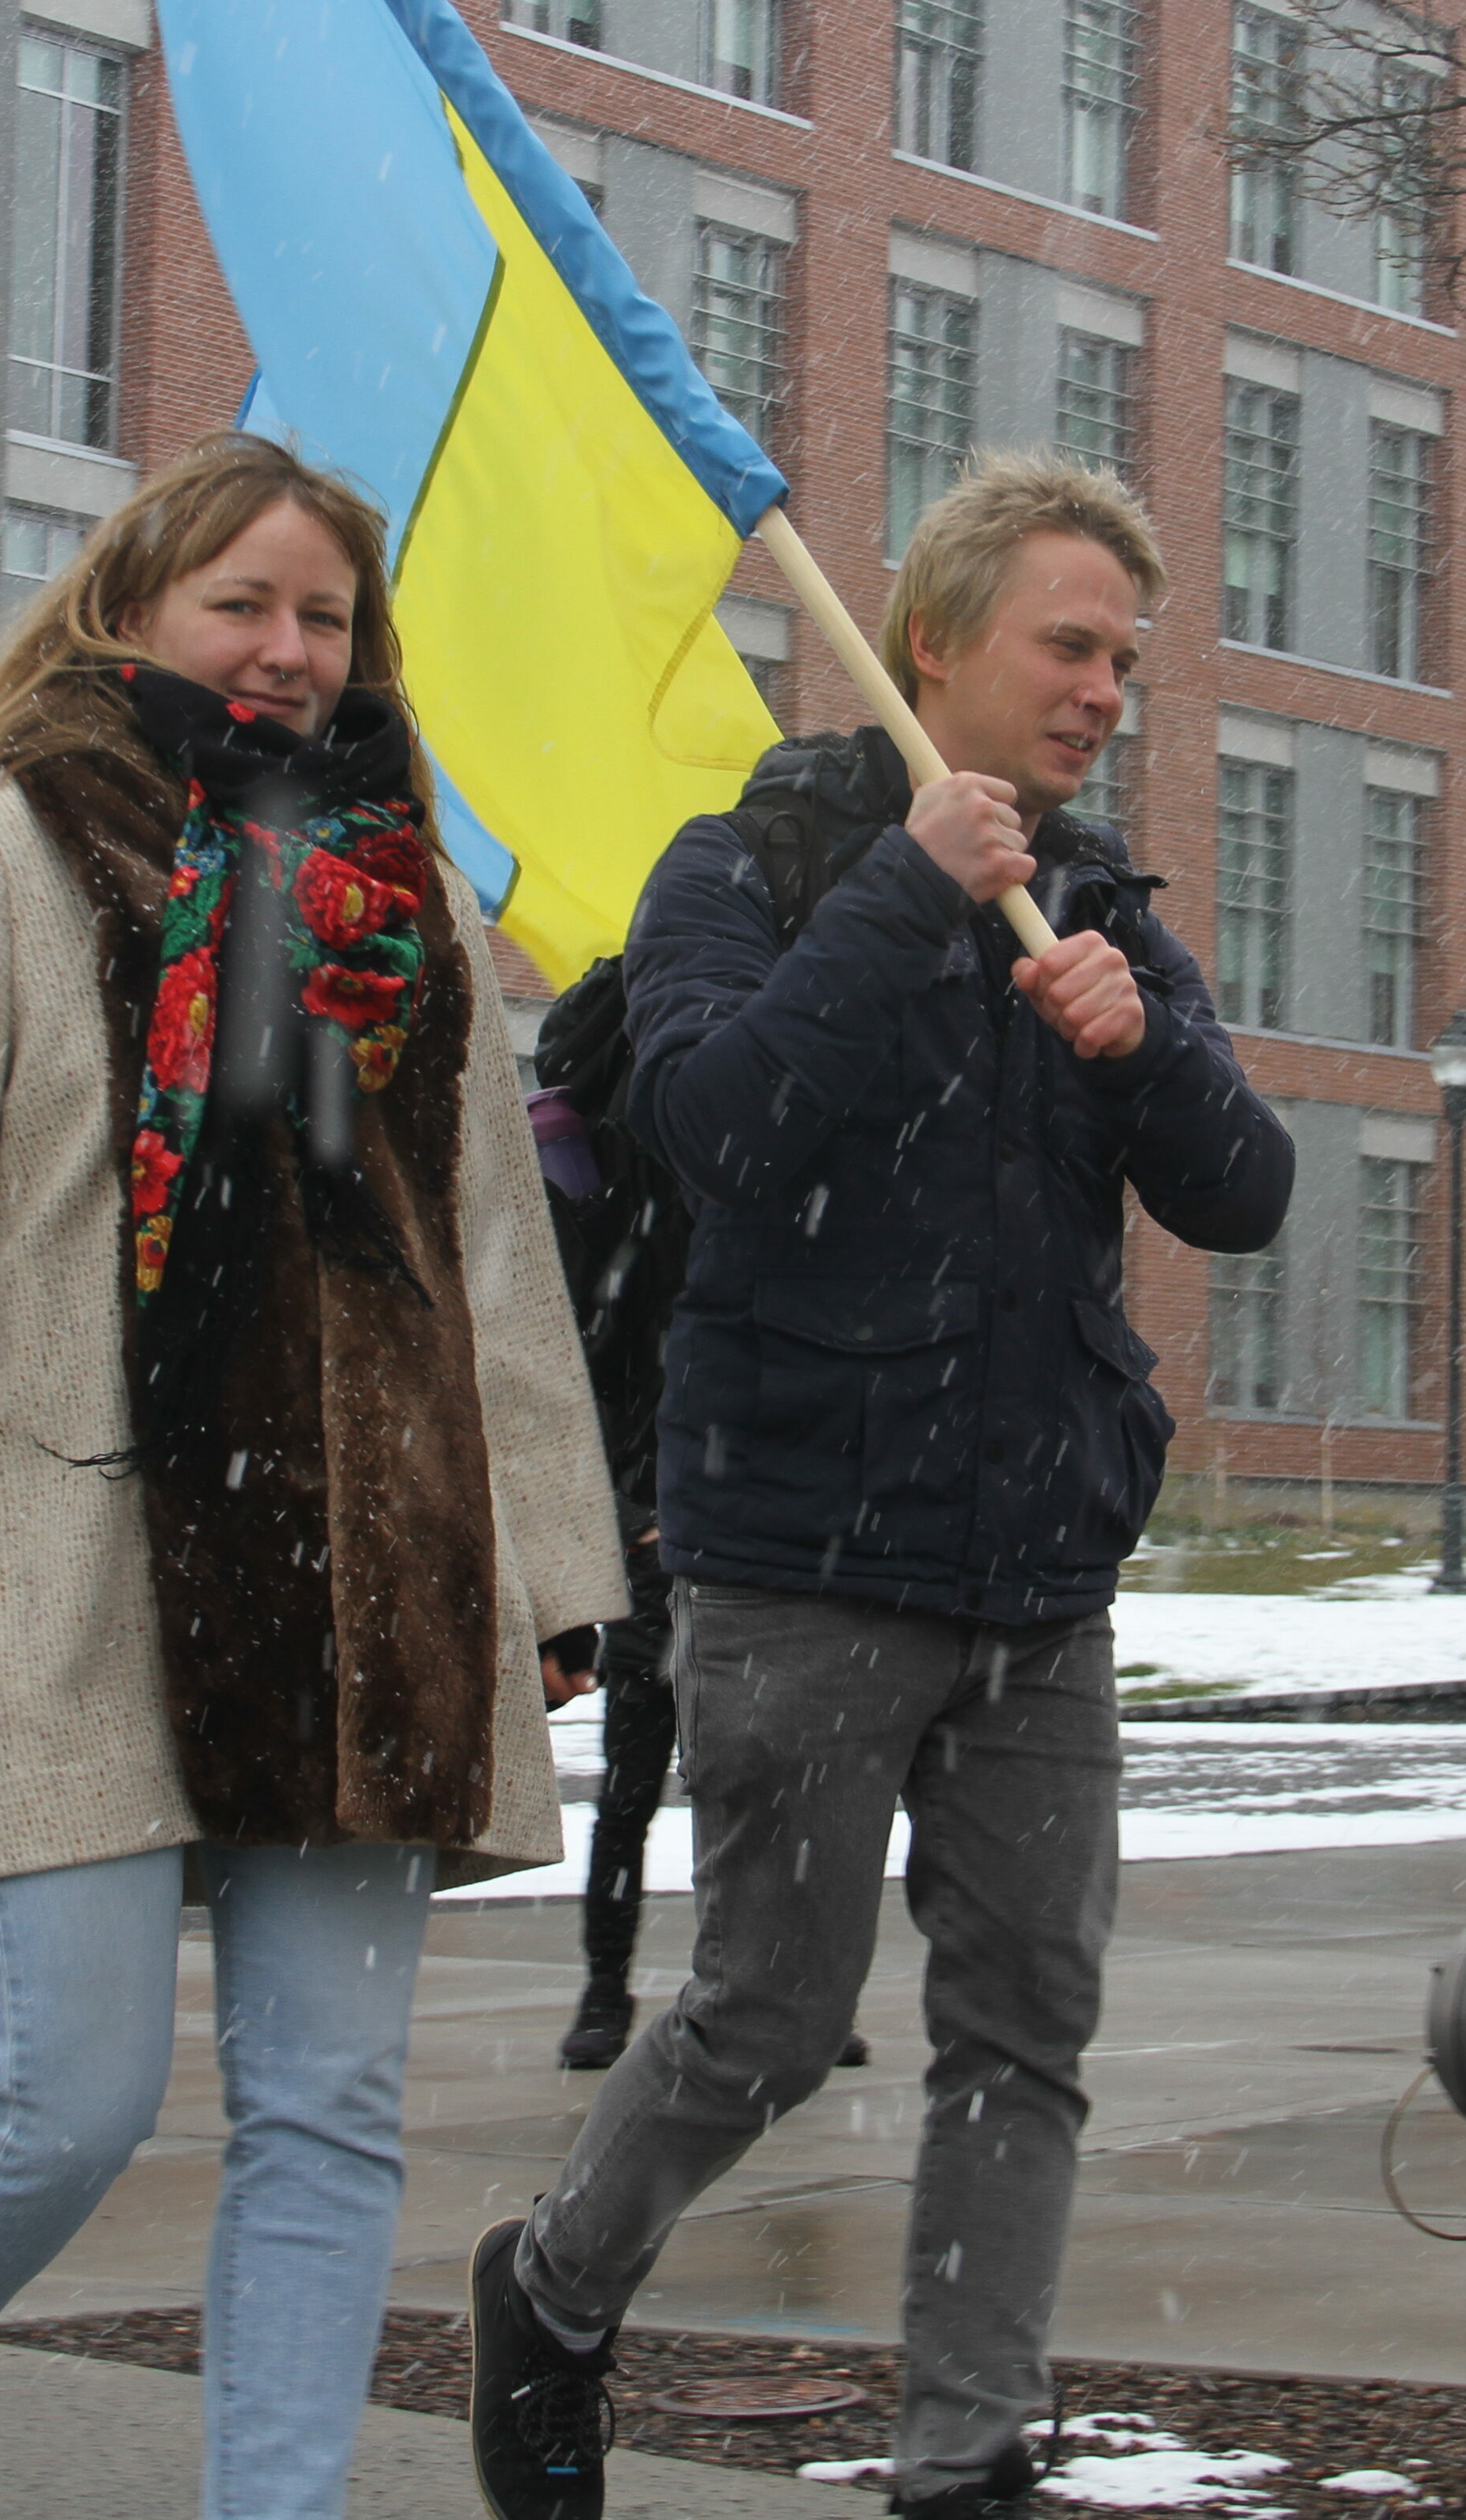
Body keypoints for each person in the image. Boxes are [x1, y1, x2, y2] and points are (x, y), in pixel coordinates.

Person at [0, 435, 624, 2520]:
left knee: (328, 2111)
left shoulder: (407, 895)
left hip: (368, 1571)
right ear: (133, 610)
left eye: (322, 615)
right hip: (54, 1559)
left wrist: (546, 1569)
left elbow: (480, 1262)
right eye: (239, 603)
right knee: (62, 2098)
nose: (281, 648)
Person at [466, 457, 1292, 2520]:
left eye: (1126, 656)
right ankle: (556, 2291)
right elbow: (714, 1124)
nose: (1105, 690)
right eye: (1068, 645)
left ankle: (965, 2453)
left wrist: (1150, 1056)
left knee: (1024, 2032)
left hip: (1041, 1573)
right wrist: (909, 888)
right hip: (804, 1560)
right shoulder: (743, 865)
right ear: (933, 643)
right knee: (767, 2012)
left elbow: (1248, 1190)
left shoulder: (1100, 908)